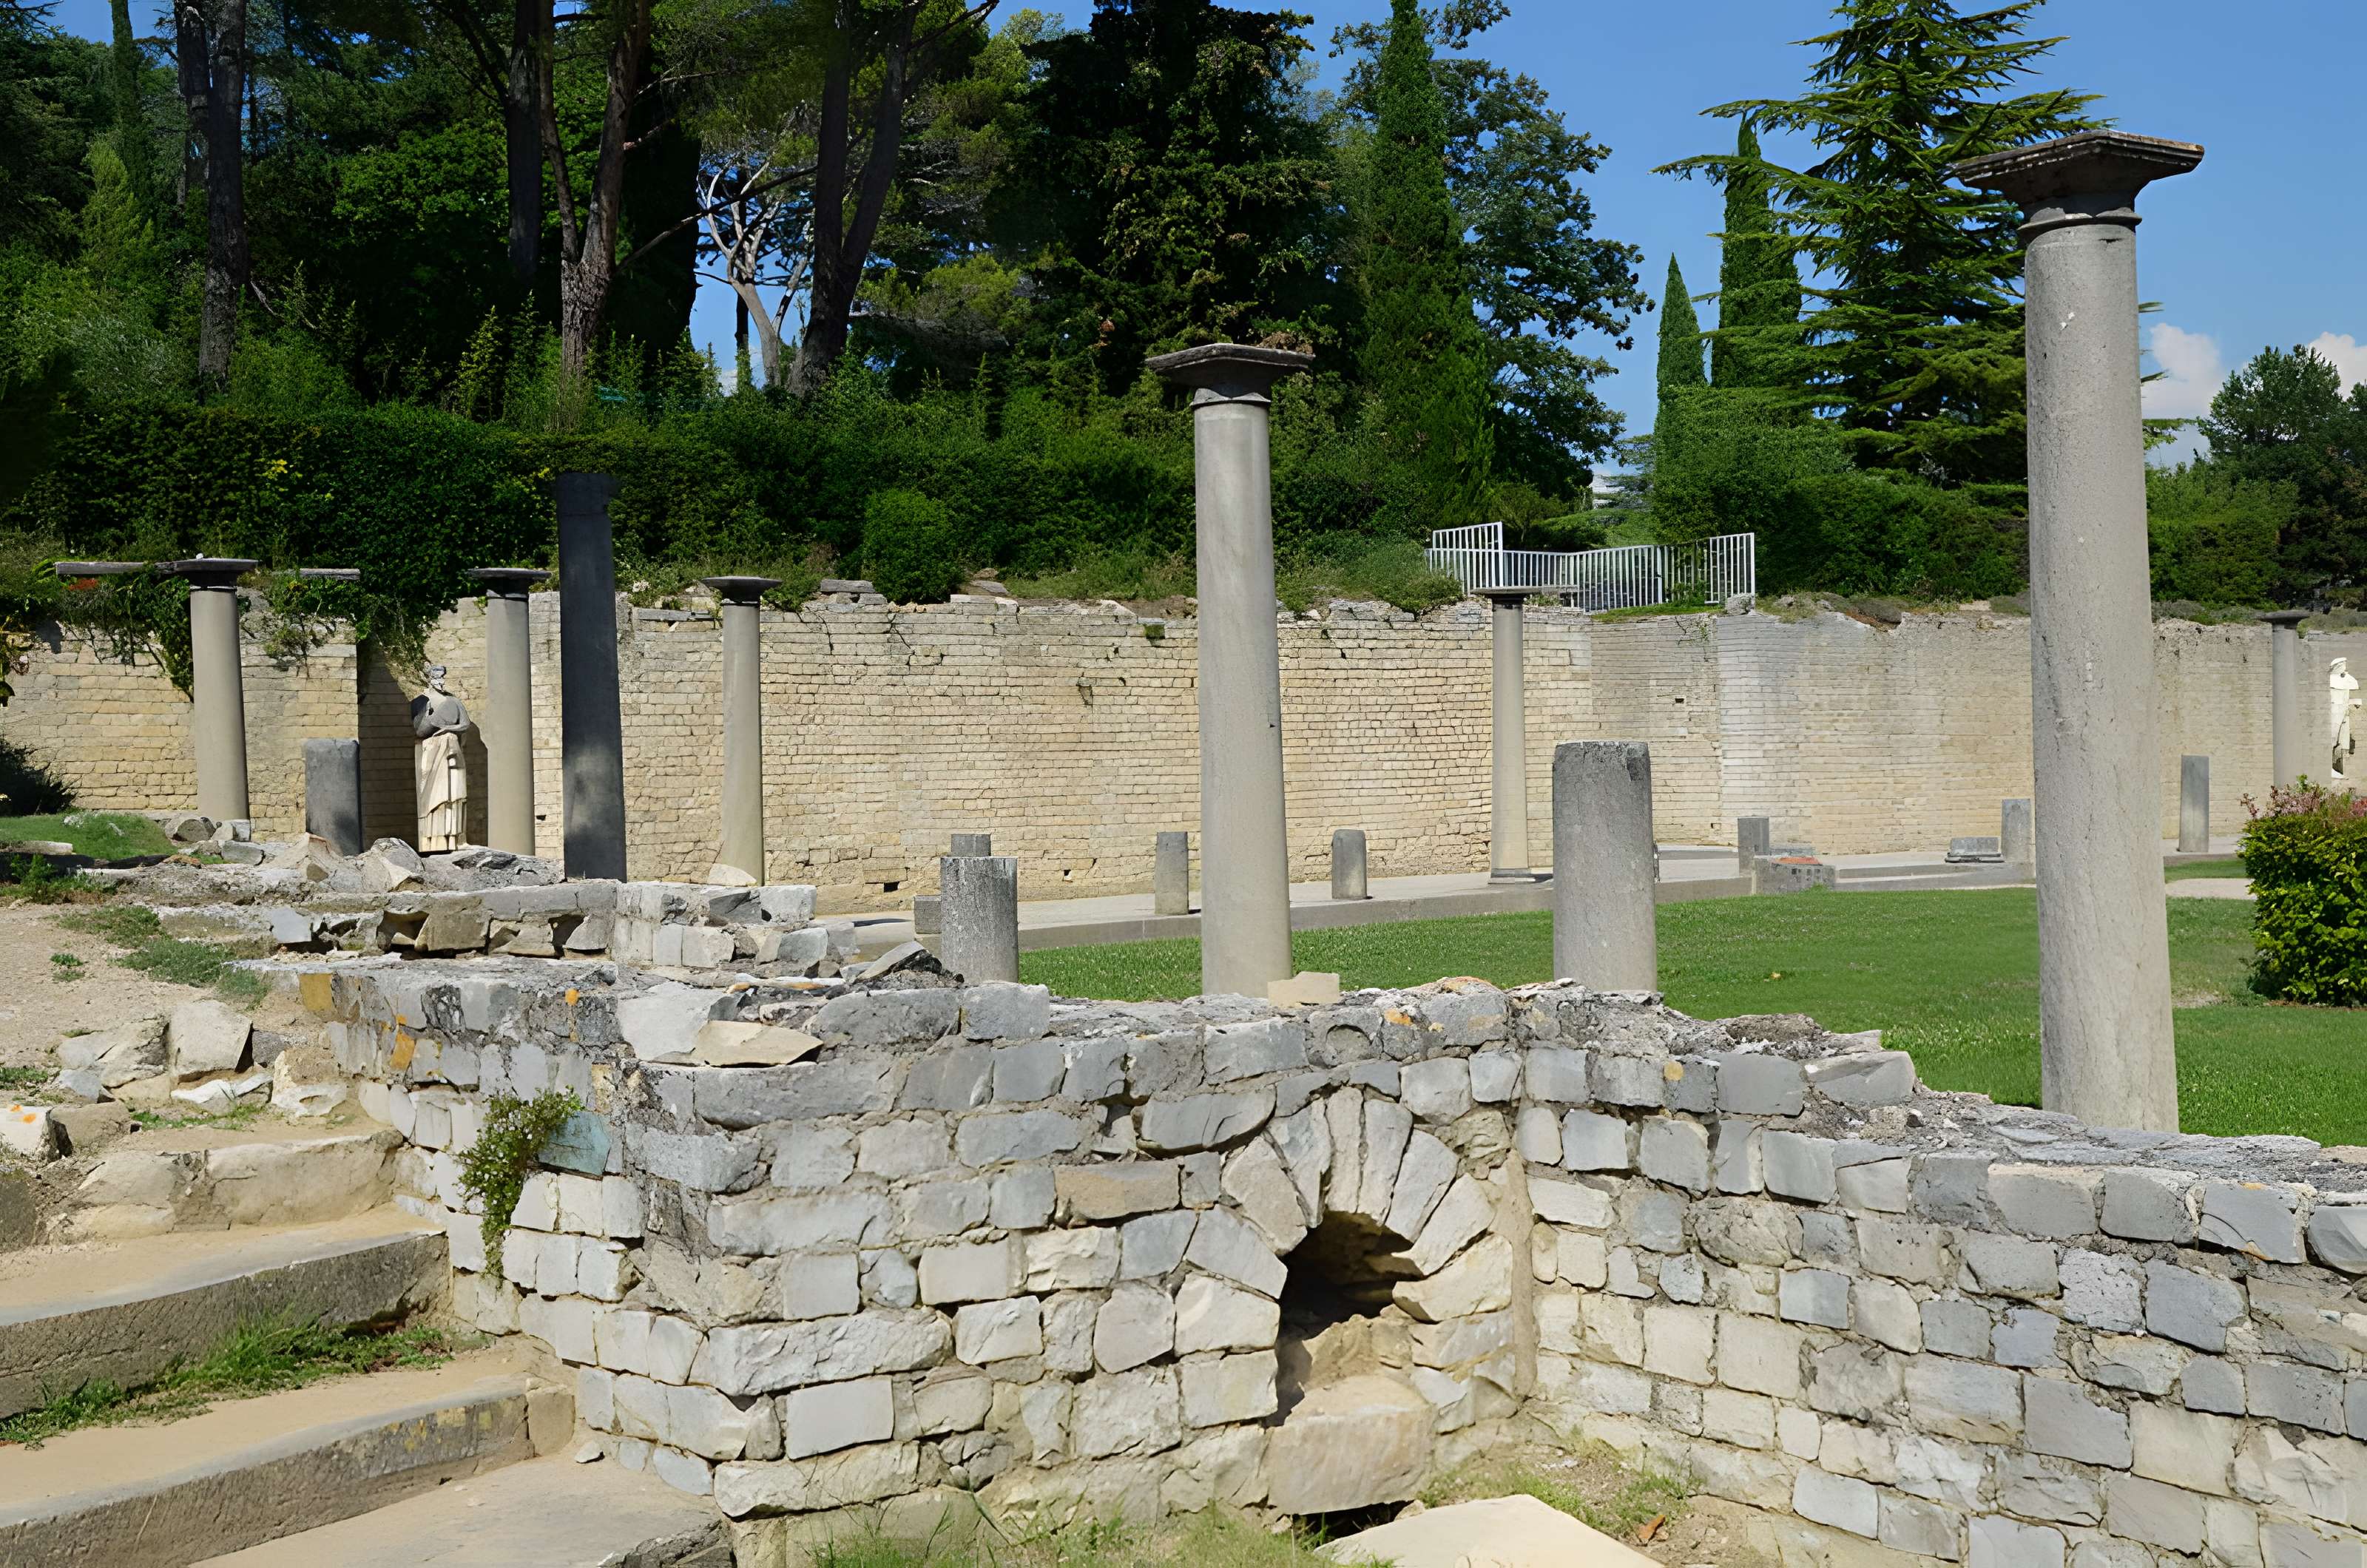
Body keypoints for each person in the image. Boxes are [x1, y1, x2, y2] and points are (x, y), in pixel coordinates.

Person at [411, 666, 471, 850]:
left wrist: (448, 729)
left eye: (442, 678)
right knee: (434, 793)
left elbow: (465, 724)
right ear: (428, 678)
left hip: (451, 747)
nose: (441, 681)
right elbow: (420, 731)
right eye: (437, 678)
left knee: (453, 790)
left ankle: (455, 838)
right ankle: (433, 842)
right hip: (431, 751)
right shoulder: (421, 701)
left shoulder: (453, 701)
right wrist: (429, 716)